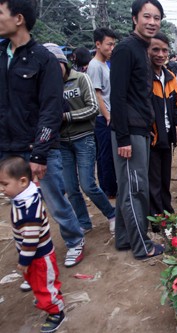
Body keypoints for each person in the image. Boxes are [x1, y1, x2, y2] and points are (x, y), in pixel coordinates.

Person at [0, 0, 85, 268]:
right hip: (7, 146)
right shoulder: (2, 56)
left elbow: (51, 109)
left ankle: (74, 240)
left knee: (54, 199)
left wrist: (40, 152)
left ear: (19, 19)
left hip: (37, 147)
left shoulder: (44, 59)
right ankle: (33, 258)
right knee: (19, 206)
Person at [110, 0, 165, 259]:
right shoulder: (126, 49)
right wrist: (123, 137)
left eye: (157, 18)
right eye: (147, 16)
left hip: (138, 128)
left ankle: (124, 238)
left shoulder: (141, 49)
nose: (152, 22)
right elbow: (118, 97)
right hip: (128, 131)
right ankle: (142, 246)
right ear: (135, 18)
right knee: (135, 188)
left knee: (127, 187)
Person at [44, 43, 116, 235]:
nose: (52, 69)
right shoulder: (47, 86)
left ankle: (112, 214)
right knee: (70, 188)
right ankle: (84, 222)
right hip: (62, 143)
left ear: (63, 62)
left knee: (88, 184)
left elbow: (93, 108)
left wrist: (67, 116)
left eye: (55, 64)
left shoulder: (81, 79)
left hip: (84, 138)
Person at [0, 156, 66, 332]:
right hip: (33, 256)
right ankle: (47, 298)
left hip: (38, 256)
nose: (2, 189)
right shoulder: (24, 195)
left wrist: (24, 261)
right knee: (36, 281)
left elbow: (31, 239)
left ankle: (56, 311)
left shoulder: (29, 208)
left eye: (5, 184)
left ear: (22, 181)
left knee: (44, 283)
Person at [148, 32, 177, 217]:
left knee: (164, 177)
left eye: (164, 50)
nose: (160, 54)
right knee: (153, 179)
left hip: (167, 135)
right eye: (155, 49)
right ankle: (156, 218)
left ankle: (167, 211)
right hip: (151, 137)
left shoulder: (170, 76)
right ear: (147, 50)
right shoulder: (143, 77)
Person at [87, 27, 118, 199]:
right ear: (98, 44)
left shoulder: (105, 64)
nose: (112, 48)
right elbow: (96, 94)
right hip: (102, 118)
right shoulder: (94, 66)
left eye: (113, 44)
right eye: (109, 44)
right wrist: (107, 116)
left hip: (109, 116)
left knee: (110, 154)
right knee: (105, 155)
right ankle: (108, 189)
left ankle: (111, 187)